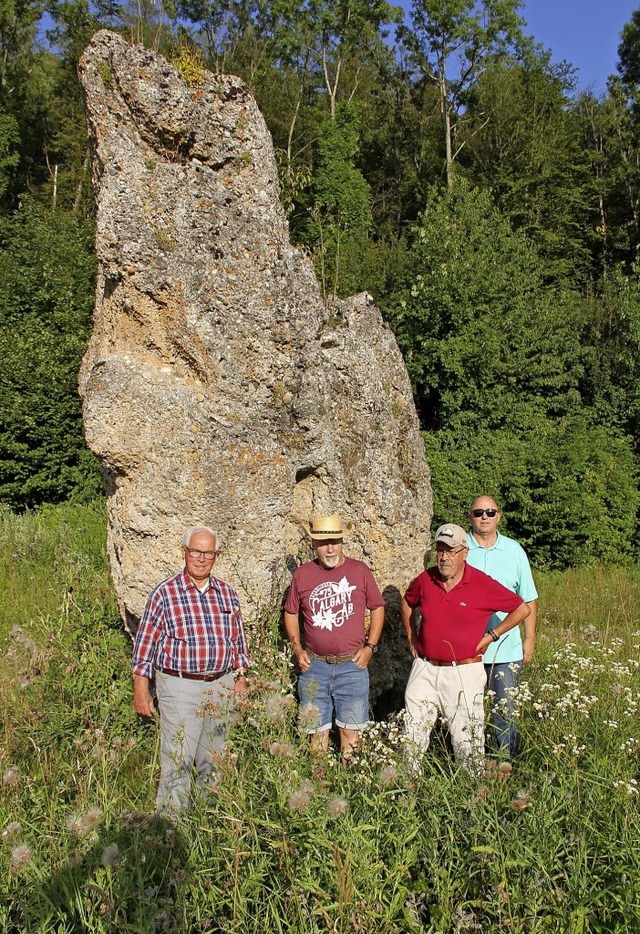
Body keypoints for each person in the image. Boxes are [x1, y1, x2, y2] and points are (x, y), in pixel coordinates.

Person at [132, 526, 250, 812]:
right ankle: (170, 832)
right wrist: (141, 688)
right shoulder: (165, 593)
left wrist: (241, 677)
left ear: (215, 556)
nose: (201, 558)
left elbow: (238, 639)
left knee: (214, 758)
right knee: (178, 758)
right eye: (195, 551)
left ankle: (209, 822)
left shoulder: (227, 593)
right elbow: (146, 643)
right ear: (184, 552)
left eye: (208, 552)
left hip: (221, 685)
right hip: (179, 686)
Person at [402, 524, 530, 773]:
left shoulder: (481, 584)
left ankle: (470, 795)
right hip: (425, 668)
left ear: (464, 552)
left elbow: (522, 608)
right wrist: (412, 638)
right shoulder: (426, 580)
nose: (444, 557)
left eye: (450, 551)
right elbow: (407, 603)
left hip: (463, 671)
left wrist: (492, 635)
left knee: (466, 741)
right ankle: (408, 789)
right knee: (412, 736)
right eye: (440, 550)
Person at [284, 514, 385, 758]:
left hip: (352, 666)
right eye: (323, 543)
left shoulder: (359, 571)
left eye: (335, 541)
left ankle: (348, 785)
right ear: (314, 545)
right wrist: (297, 649)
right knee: (316, 735)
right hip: (314, 666)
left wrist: (370, 646)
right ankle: (318, 789)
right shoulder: (303, 575)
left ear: (342, 542)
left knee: (350, 734)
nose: (330, 548)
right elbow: (290, 612)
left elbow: (378, 606)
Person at [466, 495, 538, 756]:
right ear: (470, 517)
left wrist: (529, 639)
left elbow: (528, 598)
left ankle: (505, 764)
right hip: (467, 650)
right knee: (466, 711)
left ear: (499, 516)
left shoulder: (514, 550)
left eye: (490, 512)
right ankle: (470, 764)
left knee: (505, 713)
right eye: (478, 512)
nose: (484, 516)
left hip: (506, 651)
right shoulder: (460, 548)